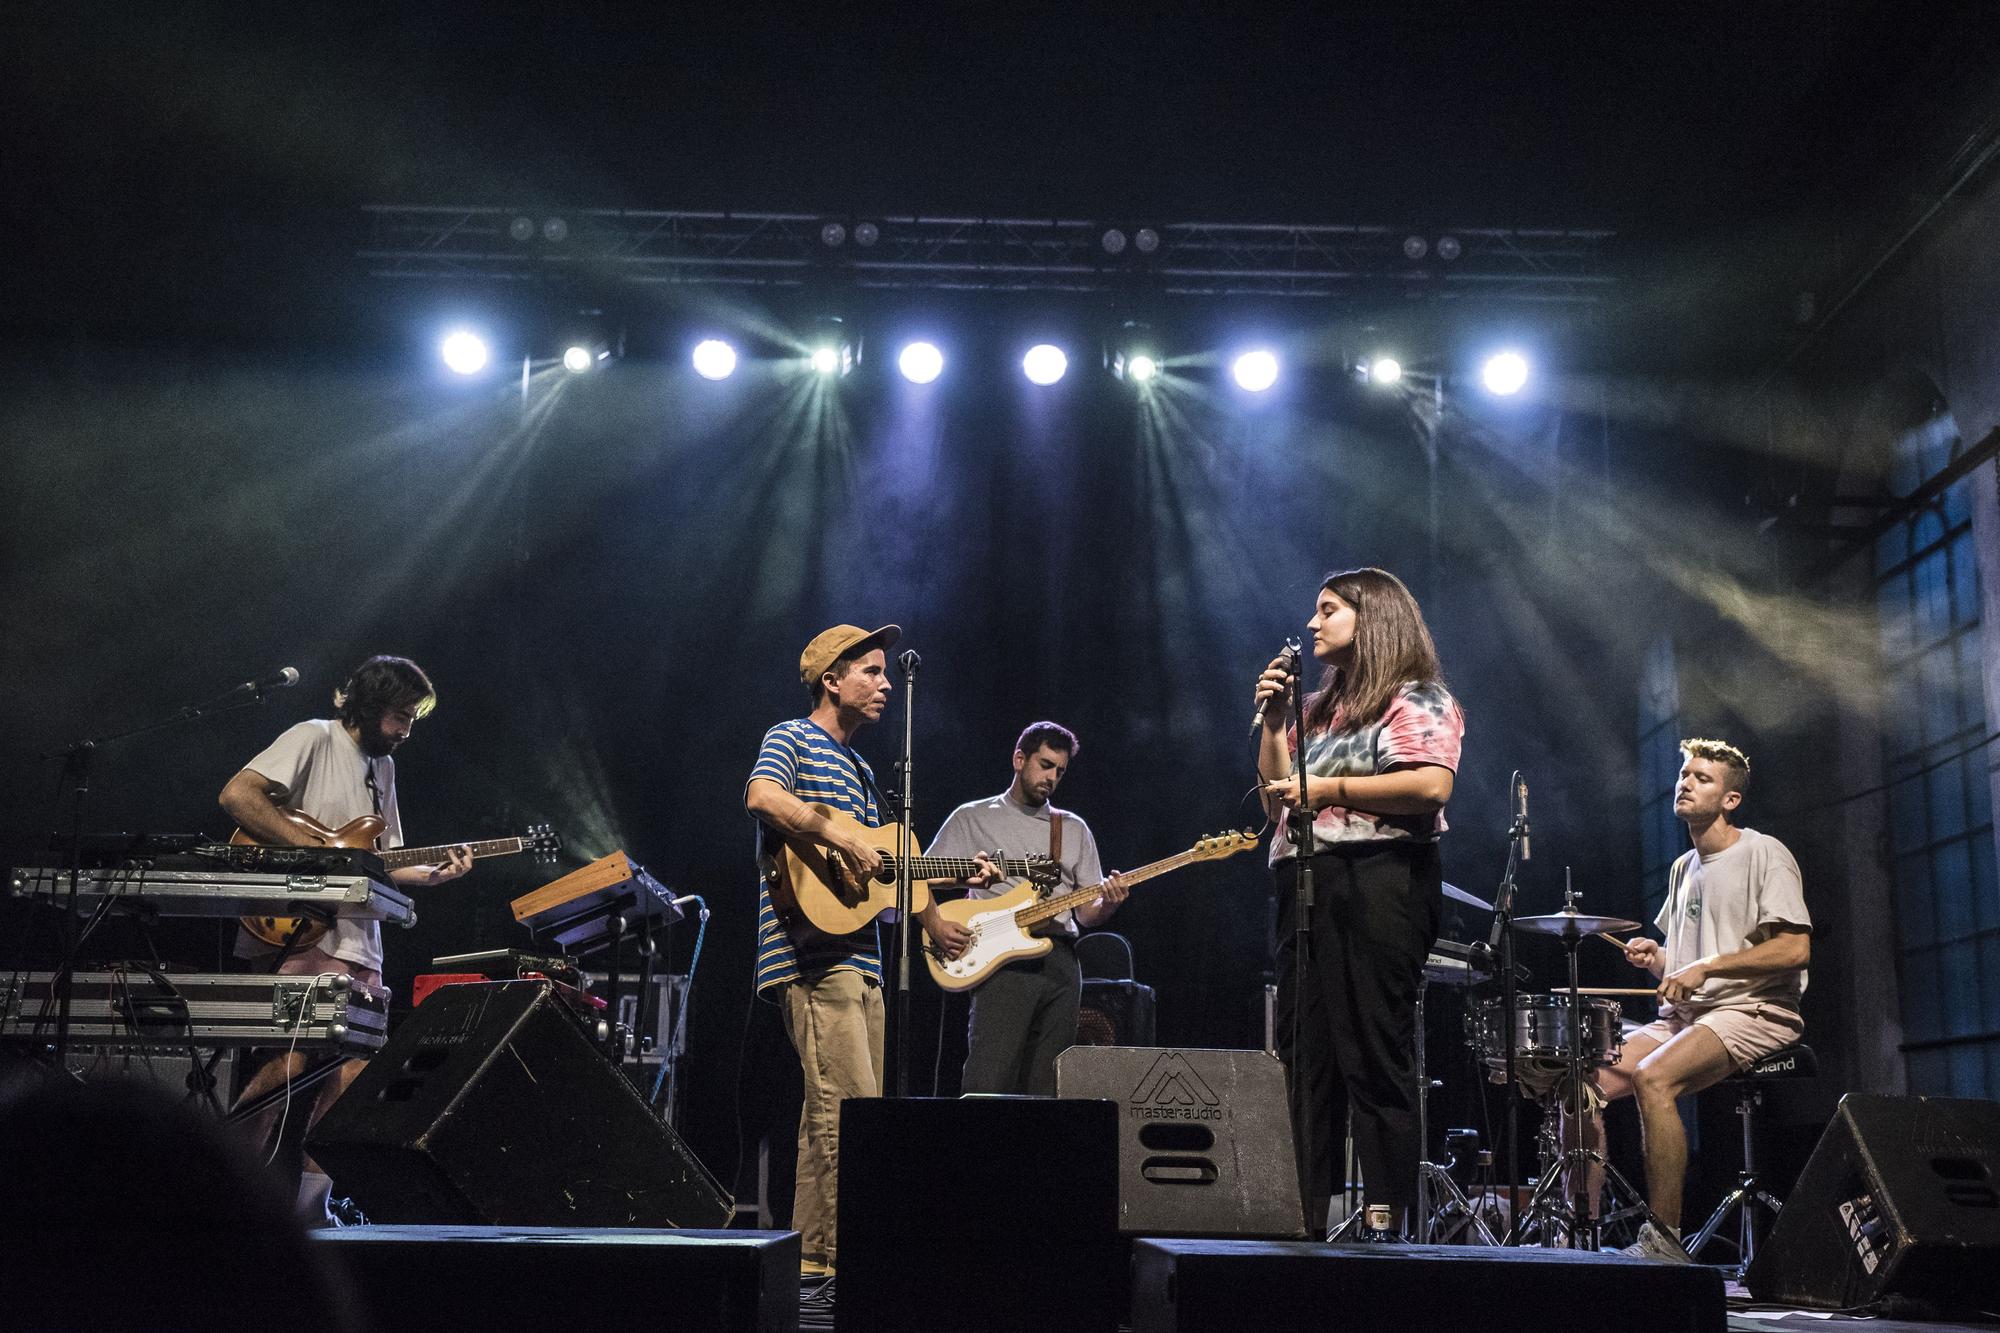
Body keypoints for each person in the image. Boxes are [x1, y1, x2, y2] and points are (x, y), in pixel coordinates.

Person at [744, 623, 988, 1278]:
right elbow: (761, 796)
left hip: (863, 959)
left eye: (885, 673)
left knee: (842, 1115)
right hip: (810, 956)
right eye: (871, 671)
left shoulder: (862, 769)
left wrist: (946, 900)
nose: (885, 685)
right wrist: (839, 836)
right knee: (845, 1110)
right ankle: (838, 1272)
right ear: (832, 679)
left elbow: (895, 867)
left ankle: (815, 1263)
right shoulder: (791, 737)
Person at [220, 655, 471, 1222]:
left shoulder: (380, 771)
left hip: (361, 941)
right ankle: (222, 1192)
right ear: (372, 704)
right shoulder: (314, 737)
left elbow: (381, 863)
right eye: (401, 716)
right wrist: (315, 855)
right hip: (304, 928)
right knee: (287, 1065)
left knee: (352, 1081)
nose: (407, 730)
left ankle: (312, 1207)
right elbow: (238, 797)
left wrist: (435, 874)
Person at [1253, 568, 1464, 1241]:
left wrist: (1332, 787)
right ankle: (1304, 1213)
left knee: (1372, 1045)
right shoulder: (1314, 710)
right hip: (1306, 879)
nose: (1312, 624)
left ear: (1370, 617)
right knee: (1304, 1054)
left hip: (1381, 876)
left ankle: (1383, 1213)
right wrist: (1276, 722)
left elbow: (1430, 785)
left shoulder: (1416, 697)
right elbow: (1274, 799)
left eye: (1328, 610)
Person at [1582, 738, 1810, 1262]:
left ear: (1731, 799)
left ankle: (1663, 1241)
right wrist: (1656, 959)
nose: (1685, 783)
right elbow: (1682, 964)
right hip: (1688, 1018)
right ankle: (1582, 1228)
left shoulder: (1763, 852)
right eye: (1684, 774)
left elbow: (1795, 948)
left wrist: (1704, 967)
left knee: (1653, 1077)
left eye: (1702, 778)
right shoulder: (1684, 867)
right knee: (1581, 1081)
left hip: (1755, 1012)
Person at [928, 722, 1130, 1096]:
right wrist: (938, 923)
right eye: (1045, 764)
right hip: (1002, 962)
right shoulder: (972, 817)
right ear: (1019, 759)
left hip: (1062, 962)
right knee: (990, 1079)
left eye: (1060, 771)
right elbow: (920, 877)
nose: (1051, 777)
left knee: (1048, 1086)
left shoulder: (1073, 828)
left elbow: (1086, 914)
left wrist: (1108, 904)